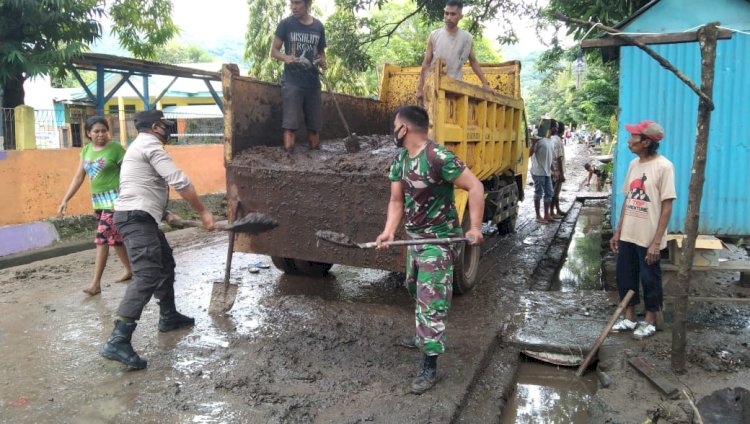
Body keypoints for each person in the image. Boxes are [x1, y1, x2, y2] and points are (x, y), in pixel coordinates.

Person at [375, 105, 484, 395]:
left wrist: (475, 227)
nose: (393, 131)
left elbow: (475, 186)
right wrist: (388, 232)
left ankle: (429, 366)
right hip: (415, 240)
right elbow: (396, 201)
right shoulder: (400, 160)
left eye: (395, 126)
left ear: (405, 128)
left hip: (440, 241)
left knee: (430, 299)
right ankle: (423, 333)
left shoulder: (438, 158)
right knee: (413, 286)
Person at [100, 110, 216, 369]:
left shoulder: (137, 147)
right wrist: (203, 212)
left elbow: (138, 185)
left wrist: (164, 212)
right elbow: (178, 180)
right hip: (136, 219)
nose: (167, 129)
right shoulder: (150, 145)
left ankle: (168, 315)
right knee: (147, 274)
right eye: (164, 125)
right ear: (155, 126)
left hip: (142, 216)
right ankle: (118, 339)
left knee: (164, 263)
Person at [610, 120, 675, 340]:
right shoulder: (633, 165)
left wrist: (656, 241)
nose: (629, 140)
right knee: (624, 275)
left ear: (646, 142)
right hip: (629, 232)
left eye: (633, 137)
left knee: (650, 278)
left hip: (648, 237)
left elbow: (667, 207)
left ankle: (649, 321)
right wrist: (618, 231)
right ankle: (629, 317)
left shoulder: (664, 166)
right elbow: (628, 200)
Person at [58, 116, 132, 296]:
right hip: (98, 202)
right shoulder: (86, 151)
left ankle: (95, 284)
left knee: (102, 239)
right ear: (88, 134)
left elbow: (129, 173)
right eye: (96, 131)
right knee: (115, 240)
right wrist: (65, 199)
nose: (100, 134)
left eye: (103, 130)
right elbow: (78, 177)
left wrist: (127, 197)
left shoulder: (115, 149)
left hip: (115, 202)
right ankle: (130, 270)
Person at [271, 0, 327, 154]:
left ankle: (315, 158)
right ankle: (289, 158)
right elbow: (274, 50)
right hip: (292, 82)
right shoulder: (286, 24)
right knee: (289, 126)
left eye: (297, 3)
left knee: (314, 127)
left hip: (312, 83)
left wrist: (323, 61)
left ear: (307, 4)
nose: (294, 7)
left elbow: (321, 52)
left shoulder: (318, 27)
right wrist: (285, 57)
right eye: (292, 4)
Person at [415, 0, 491, 104]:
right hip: (433, 87)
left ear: (461, 16)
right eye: (446, 13)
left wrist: (485, 84)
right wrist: (420, 88)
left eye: (453, 14)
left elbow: (473, 61)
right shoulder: (434, 35)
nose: (449, 17)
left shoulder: (467, 38)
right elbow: (426, 63)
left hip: (454, 89)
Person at [530, 120, 555, 224]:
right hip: (538, 171)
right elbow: (528, 154)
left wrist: (553, 170)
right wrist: (533, 144)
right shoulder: (538, 140)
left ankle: (546, 214)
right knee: (538, 193)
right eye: (555, 127)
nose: (556, 129)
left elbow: (550, 157)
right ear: (549, 128)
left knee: (549, 193)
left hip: (547, 172)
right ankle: (538, 216)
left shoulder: (551, 140)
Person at [550, 122, 566, 218]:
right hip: (557, 170)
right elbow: (560, 158)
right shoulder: (558, 140)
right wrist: (561, 173)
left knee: (553, 192)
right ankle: (553, 212)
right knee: (555, 193)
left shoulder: (551, 139)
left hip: (552, 169)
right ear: (563, 131)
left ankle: (557, 209)